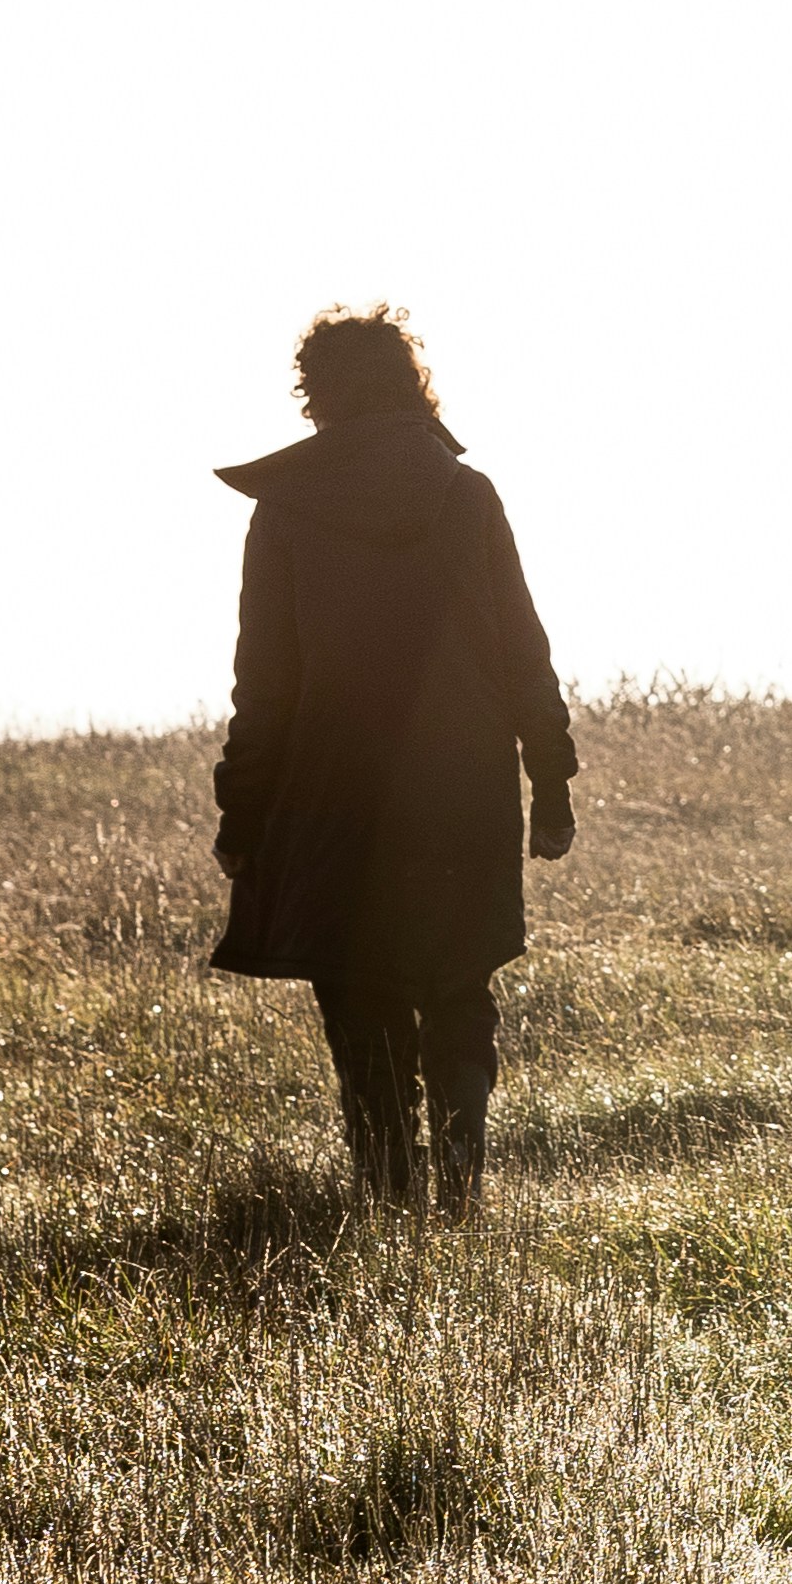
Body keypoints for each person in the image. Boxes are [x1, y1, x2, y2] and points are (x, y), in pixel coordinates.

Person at [206, 306, 576, 1207]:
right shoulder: (467, 494)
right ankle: (458, 1186)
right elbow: (522, 647)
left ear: (316, 393)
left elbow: (266, 685)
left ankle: (387, 1189)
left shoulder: (286, 512)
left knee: (358, 991)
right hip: (462, 784)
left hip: (333, 792)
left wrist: (241, 813)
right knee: (457, 983)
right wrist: (550, 776)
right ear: (411, 383)